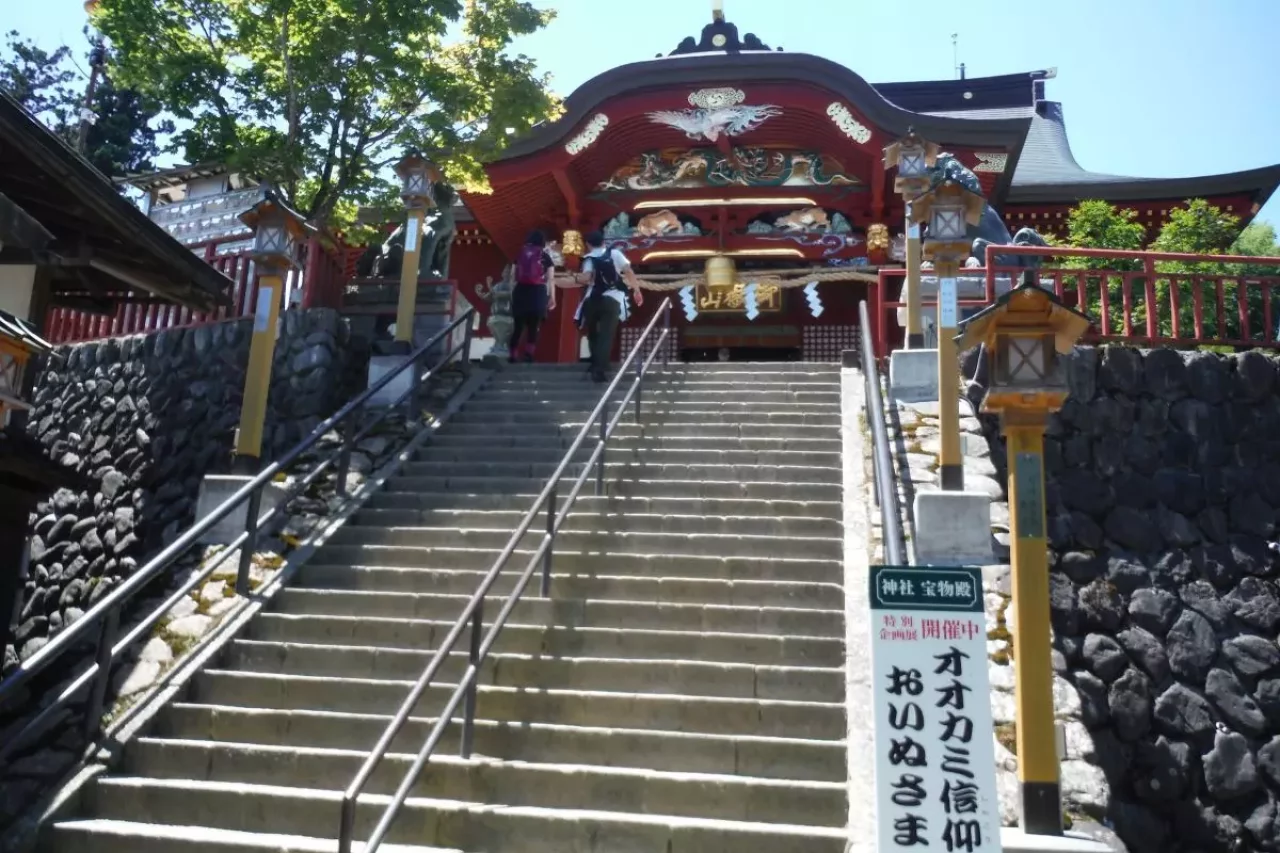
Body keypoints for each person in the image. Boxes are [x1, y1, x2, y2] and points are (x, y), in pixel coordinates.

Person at [574, 231, 644, 382]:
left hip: (592, 299)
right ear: (604, 242)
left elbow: (586, 277)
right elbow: (628, 271)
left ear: (588, 244)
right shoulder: (615, 254)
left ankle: (595, 363)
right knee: (606, 334)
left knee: (592, 333)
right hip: (612, 299)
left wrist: (573, 278)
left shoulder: (589, 258)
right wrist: (637, 290)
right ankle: (600, 369)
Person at [510, 230, 556, 363]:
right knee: (534, 326)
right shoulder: (545, 257)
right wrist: (552, 297)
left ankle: (513, 355)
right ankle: (528, 354)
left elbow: (512, 276)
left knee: (518, 326)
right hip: (538, 292)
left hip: (520, 291)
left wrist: (512, 294)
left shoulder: (520, 254)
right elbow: (551, 279)